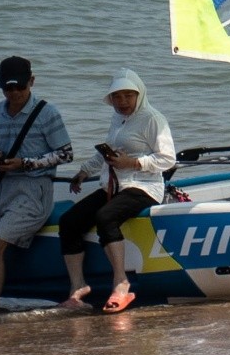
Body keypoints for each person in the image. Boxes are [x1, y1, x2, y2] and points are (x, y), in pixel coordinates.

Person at [56, 71, 175, 313]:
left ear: (139, 94)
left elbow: (168, 159)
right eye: (117, 97)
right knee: (68, 221)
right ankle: (78, 288)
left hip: (145, 187)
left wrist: (133, 163)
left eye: (128, 96)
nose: (122, 102)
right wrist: (84, 171)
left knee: (105, 217)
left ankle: (121, 283)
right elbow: (108, 152)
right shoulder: (117, 119)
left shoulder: (153, 119)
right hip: (115, 186)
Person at [0, 57, 69, 318]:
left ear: (32, 82)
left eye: (19, 88)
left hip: (34, 191)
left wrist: (26, 164)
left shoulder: (47, 113)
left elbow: (66, 154)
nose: (14, 94)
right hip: (4, 189)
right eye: (8, 89)